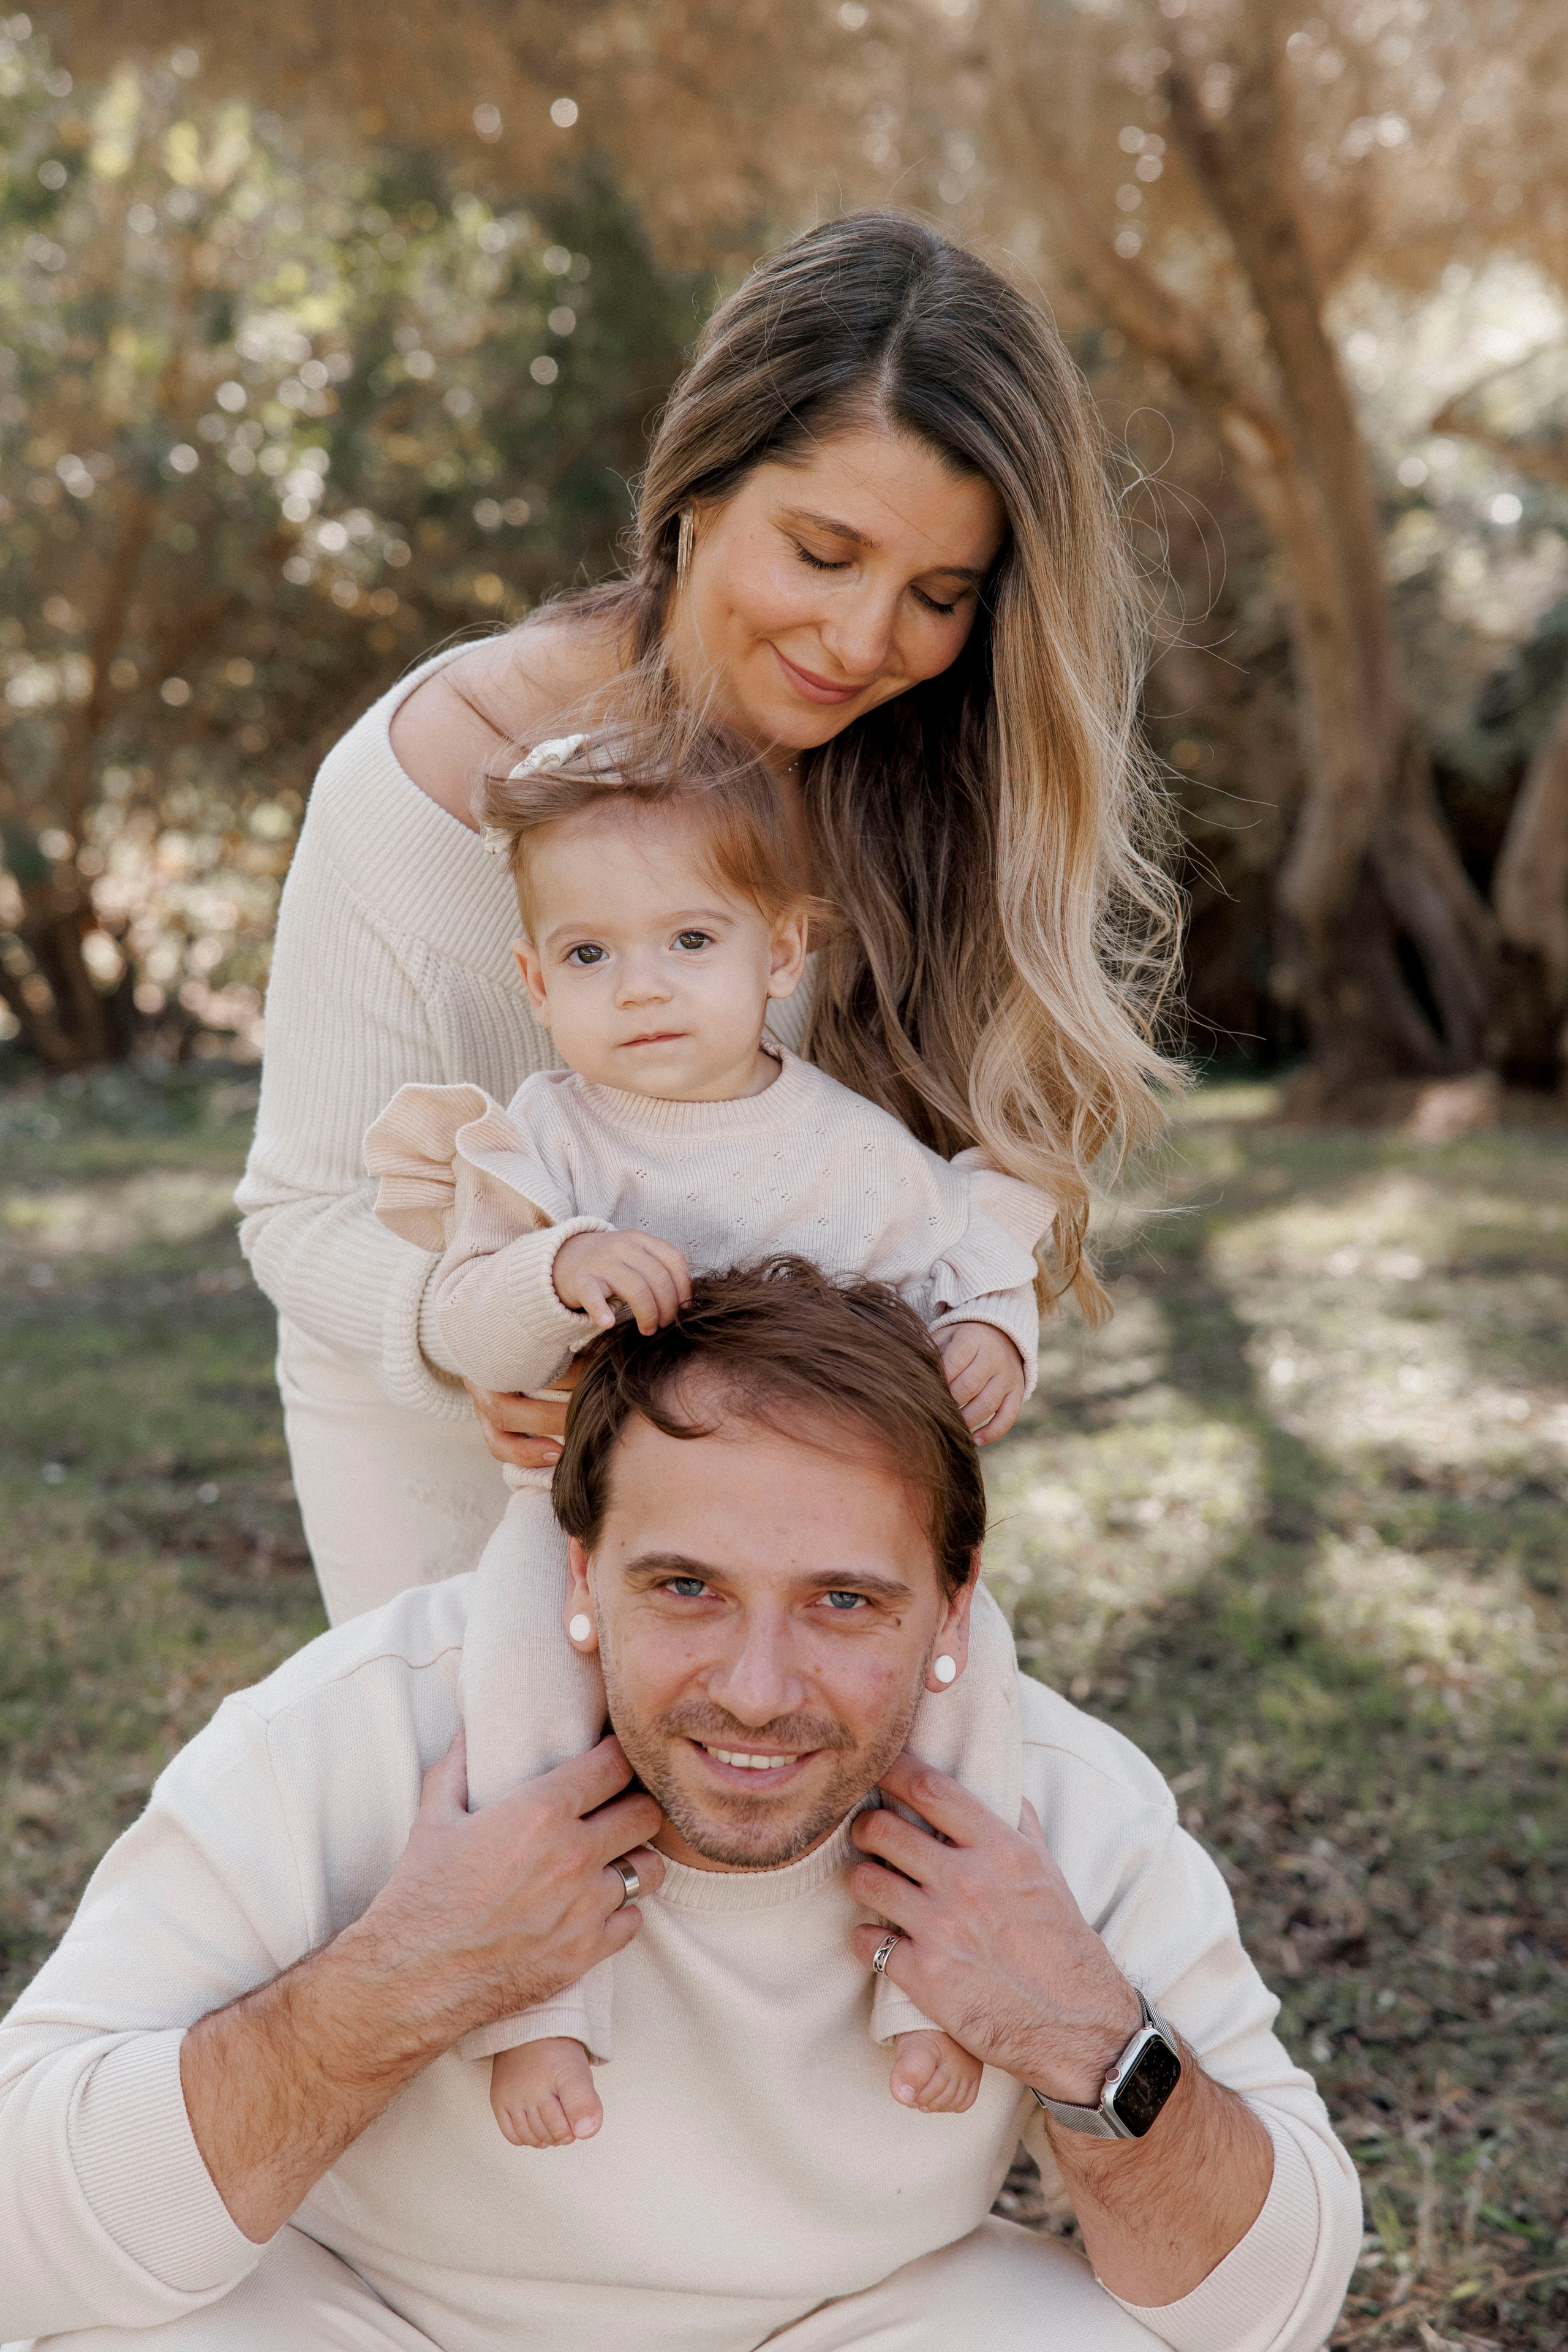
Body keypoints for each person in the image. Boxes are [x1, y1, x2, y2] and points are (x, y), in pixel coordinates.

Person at [0, 1265, 1360, 2352]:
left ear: (954, 1601)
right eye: (684, 1589)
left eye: (843, 1602)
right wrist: (394, 1984)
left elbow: (1269, 2310)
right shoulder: (361, 1730)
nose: (757, 1693)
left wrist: (1084, 2033)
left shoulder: (1049, 1803)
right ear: (578, 1569)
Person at [235, 209, 1181, 1623]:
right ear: (696, 498)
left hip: (788, 1483)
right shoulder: (430, 783)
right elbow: (302, 1214)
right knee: (488, 1828)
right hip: (455, 1438)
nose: (866, 645)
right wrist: (478, 1343)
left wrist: (983, 1326)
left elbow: (946, 1199)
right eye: (820, 552)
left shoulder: (934, 789)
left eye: (936, 596)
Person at [363, 713, 1048, 2146]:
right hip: (588, 1526)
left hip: (822, 1536)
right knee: (516, 1680)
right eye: (592, 956)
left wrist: (993, 1336)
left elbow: (967, 1253)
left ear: (778, 956)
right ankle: (535, 2001)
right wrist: (551, 1271)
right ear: (534, 981)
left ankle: (934, 1975)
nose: (644, 988)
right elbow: (464, 1310)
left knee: (969, 1671)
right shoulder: (543, 1142)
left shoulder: (845, 1145)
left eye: (690, 942)